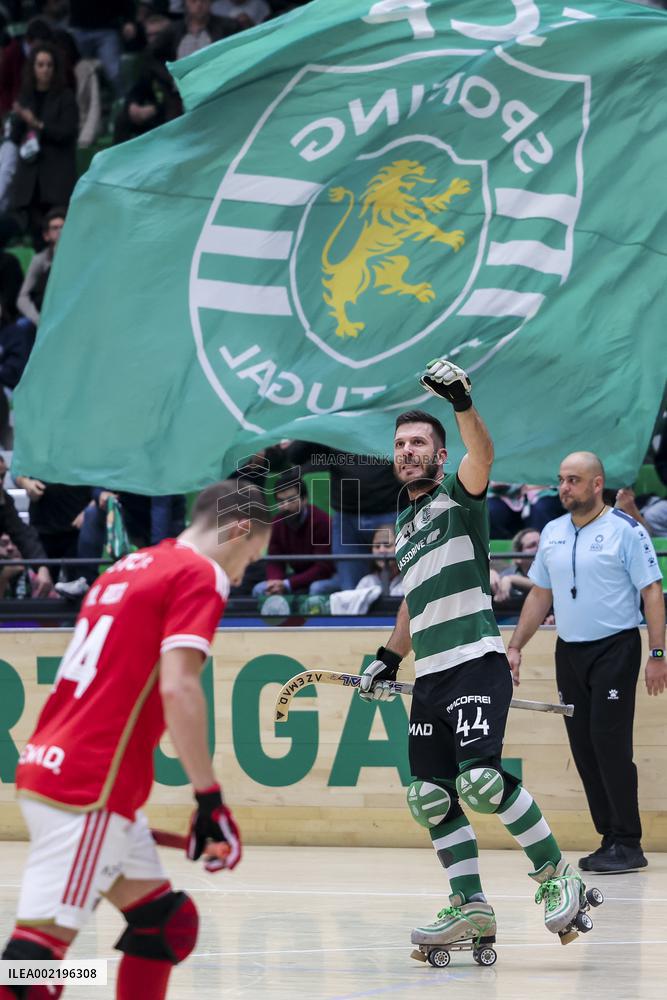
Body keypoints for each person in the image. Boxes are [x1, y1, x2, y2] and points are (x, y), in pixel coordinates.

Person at [358, 359, 596, 953]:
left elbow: (483, 454)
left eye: (419, 443)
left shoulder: (457, 498)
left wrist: (461, 404)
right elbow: (415, 601)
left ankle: (555, 875)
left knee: (484, 782)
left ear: (439, 457)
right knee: (429, 797)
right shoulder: (406, 520)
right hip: (431, 673)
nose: (408, 451)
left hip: (476, 661)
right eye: (401, 444)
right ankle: (471, 908)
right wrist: (388, 657)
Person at [0, 479, 271, 1000]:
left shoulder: (129, 566)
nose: (241, 576)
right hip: (89, 788)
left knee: (165, 924)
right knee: (32, 972)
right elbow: (179, 685)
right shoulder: (201, 574)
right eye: (251, 558)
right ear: (239, 530)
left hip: (54, 764)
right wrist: (209, 799)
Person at [507, 451, 666, 874]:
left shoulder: (626, 531)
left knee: (610, 743)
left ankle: (628, 842)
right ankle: (609, 838)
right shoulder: (553, 532)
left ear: (598, 484)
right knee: (584, 747)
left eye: (574, 480)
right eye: (560, 479)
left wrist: (657, 653)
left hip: (616, 648)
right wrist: (516, 645)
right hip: (569, 652)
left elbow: (652, 591)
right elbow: (541, 593)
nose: (564, 488)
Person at [284, 442, 402, 592]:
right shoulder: (336, 421)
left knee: (400, 590)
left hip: (391, 513)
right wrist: (318, 419)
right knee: (350, 593)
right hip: (347, 521)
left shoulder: (392, 421)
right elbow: (296, 455)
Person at [8, 41, 78, 247]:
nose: (45, 69)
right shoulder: (25, 97)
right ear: (33, 68)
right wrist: (17, 120)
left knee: (62, 237)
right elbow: (15, 137)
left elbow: (67, 132)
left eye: (49, 65)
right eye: (40, 65)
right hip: (30, 180)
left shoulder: (65, 97)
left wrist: (37, 124)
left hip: (56, 176)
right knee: (37, 238)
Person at [252, 469, 333, 598]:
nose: (285, 506)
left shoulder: (322, 522)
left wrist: (287, 584)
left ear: (304, 499)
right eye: (281, 501)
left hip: (325, 577)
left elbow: (324, 568)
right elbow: (275, 560)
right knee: (259, 590)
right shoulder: (277, 523)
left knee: (316, 589)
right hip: (295, 578)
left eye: (291, 500)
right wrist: (274, 582)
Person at [16, 205, 65, 325]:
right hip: (45, 315)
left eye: (63, 227)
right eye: (55, 228)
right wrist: (38, 320)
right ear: (46, 235)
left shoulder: (79, 257)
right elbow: (22, 298)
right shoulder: (40, 260)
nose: (60, 231)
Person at [175, 0, 239, 60]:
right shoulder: (173, 31)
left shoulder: (227, 27)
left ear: (210, 2)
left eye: (204, 0)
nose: (199, 4)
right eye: (193, 1)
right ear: (185, 3)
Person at [355, 523, 404, 597]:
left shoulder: (409, 580)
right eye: (377, 546)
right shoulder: (366, 583)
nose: (381, 550)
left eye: (387, 546)